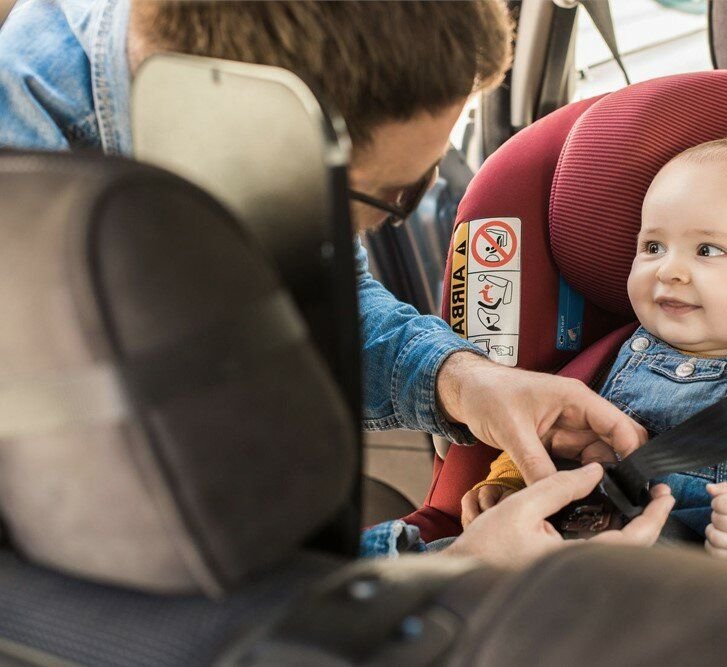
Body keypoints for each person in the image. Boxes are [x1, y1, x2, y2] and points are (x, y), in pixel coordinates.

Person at [0, 0, 671, 568]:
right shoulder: (23, 216)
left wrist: (463, 381)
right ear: (255, 137)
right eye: (395, 195)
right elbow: (115, 590)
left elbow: (314, 290)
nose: (421, 195)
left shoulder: (236, 102)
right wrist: (456, 571)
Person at [464, 136, 727, 563]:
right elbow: (547, 434)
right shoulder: (604, 360)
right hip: (559, 552)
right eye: (653, 247)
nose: (670, 270)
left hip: (689, 578)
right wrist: (509, 484)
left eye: (708, 250)